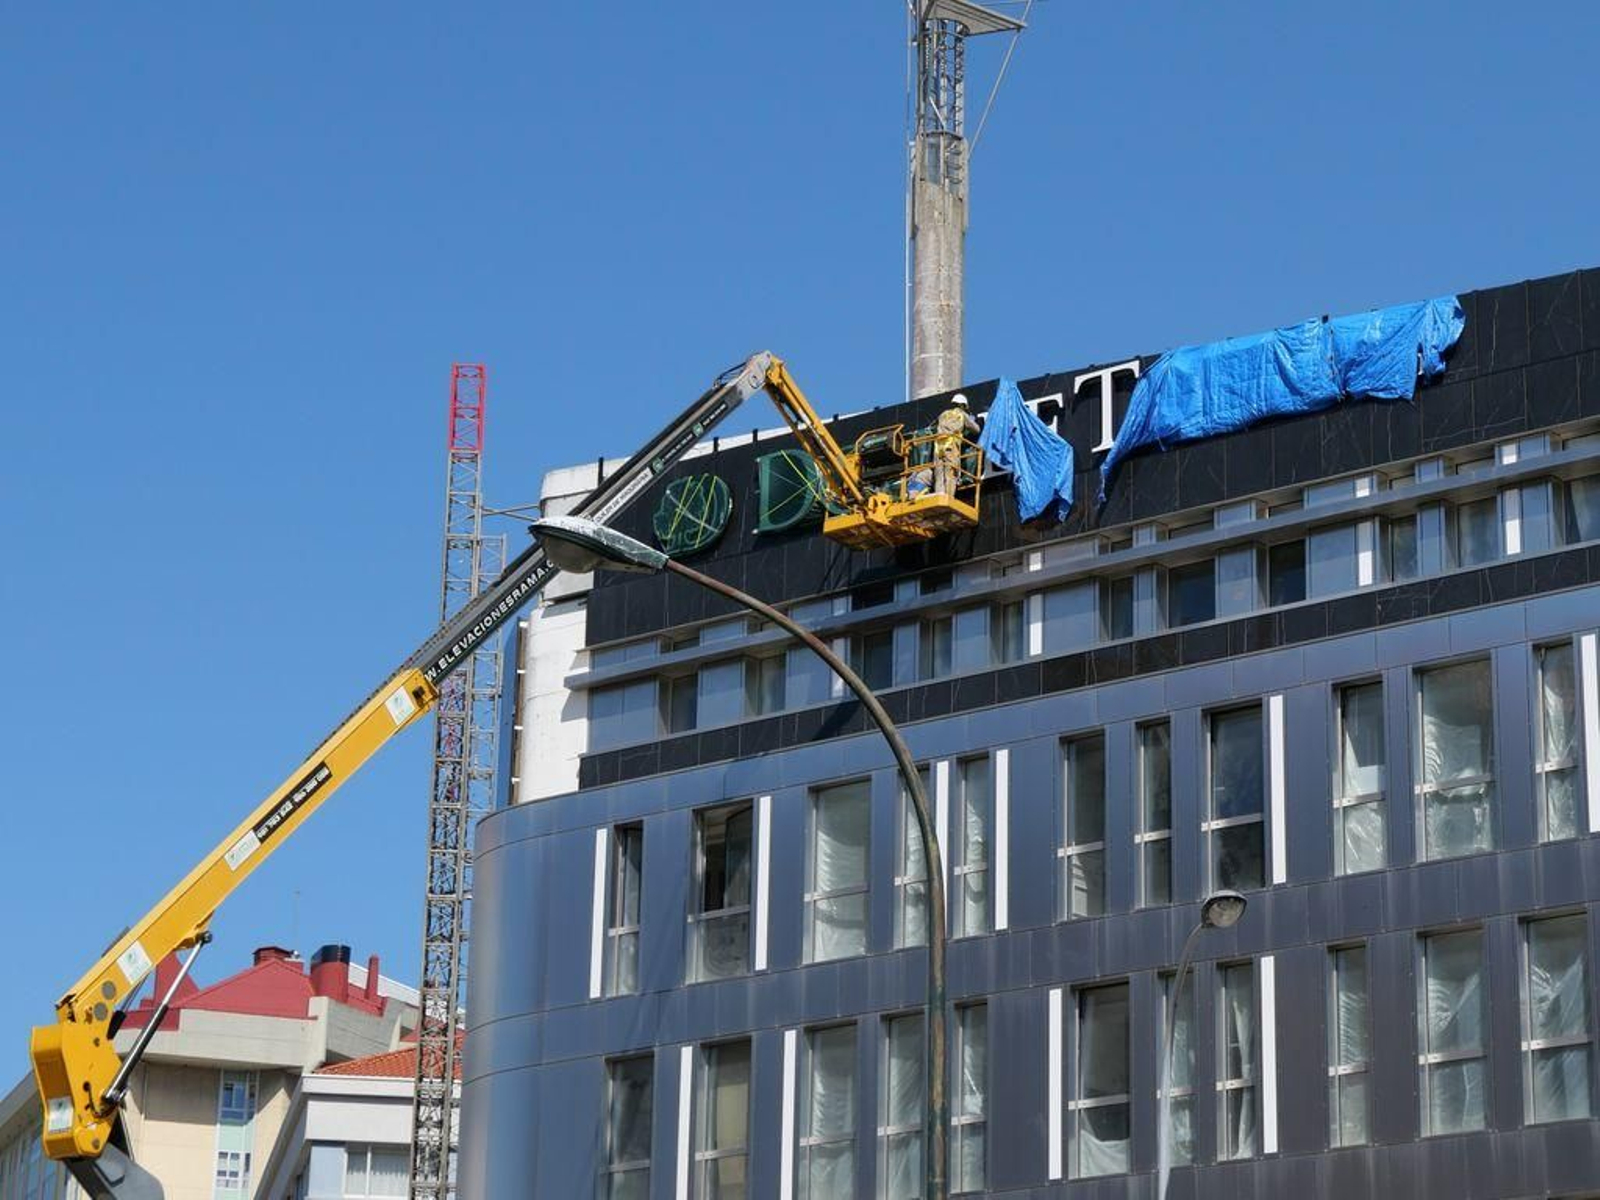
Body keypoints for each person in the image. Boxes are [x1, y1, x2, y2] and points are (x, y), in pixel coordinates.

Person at [932, 393, 980, 497]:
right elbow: (976, 429)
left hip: (938, 447)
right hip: (951, 445)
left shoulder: (943, 414)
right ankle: (949, 497)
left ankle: (939, 495)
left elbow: (934, 426)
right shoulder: (962, 414)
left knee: (939, 474)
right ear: (962, 405)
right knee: (951, 473)